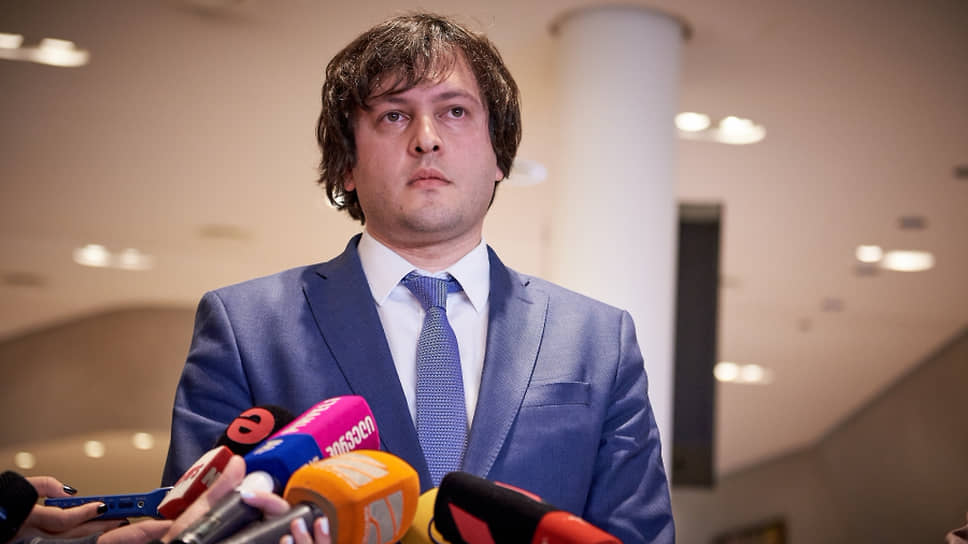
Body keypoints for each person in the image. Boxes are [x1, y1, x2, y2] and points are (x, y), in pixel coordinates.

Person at [163, 12, 674, 543]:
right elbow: (187, 526)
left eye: (455, 111)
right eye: (393, 116)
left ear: (499, 154)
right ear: (347, 164)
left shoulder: (599, 339)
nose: (426, 139)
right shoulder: (245, 328)